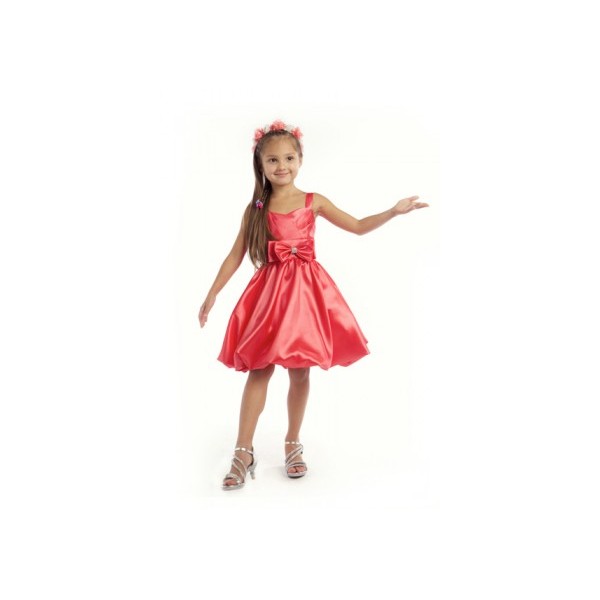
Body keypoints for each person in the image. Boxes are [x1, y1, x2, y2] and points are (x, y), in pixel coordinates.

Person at [198, 119, 428, 490]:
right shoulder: (256, 208)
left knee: (300, 371)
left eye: (289, 158)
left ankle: (293, 443)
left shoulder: (313, 201)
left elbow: (357, 226)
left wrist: (392, 211)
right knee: (259, 369)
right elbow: (235, 255)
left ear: (300, 159)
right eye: (273, 160)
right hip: (270, 297)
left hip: (305, 295)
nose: (282, 166)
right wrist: (212, 293)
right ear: (261, 165)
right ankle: (243, 451)